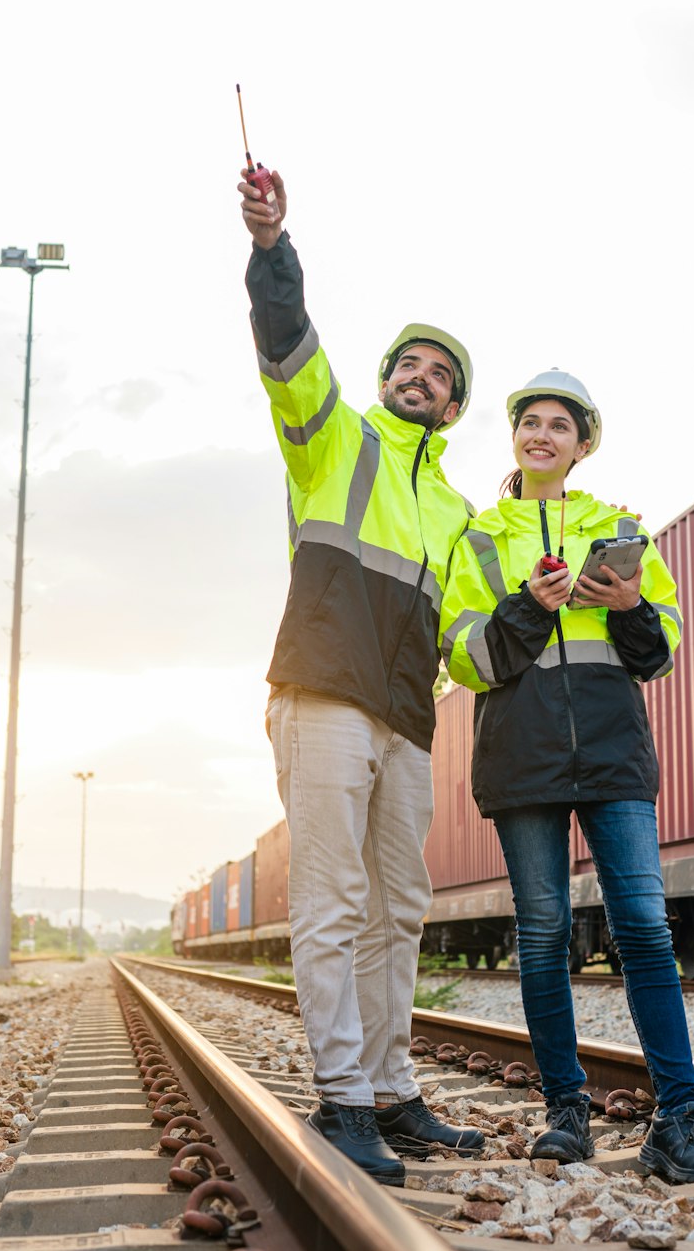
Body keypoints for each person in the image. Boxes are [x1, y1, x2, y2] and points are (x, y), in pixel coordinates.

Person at [238, 168, 485, 1183]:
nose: (419, 377)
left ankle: (392, 1088)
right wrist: (271, 248)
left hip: (405, 721)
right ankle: (342, 1098)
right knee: (335, 901)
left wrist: (541, 612)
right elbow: (288, 351)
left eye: (438, 374)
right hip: (323, 696)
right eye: (408, 365)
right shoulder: (332, 441)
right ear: (384, 376)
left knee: (399, 911)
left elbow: (465, 646)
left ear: (456, 404)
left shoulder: (458, 513)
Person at [439, 371, 694, 1184]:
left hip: (612, 754)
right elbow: (466, 655)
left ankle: (679, 1119)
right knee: (543, 938)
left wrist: (632, 602)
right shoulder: (482, 537)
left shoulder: (623, 527)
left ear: (581, 442)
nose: (542, 435)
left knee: (643, 928)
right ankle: (565, 1111)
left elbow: (661, 649)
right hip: (522, 757)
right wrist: (531, 606)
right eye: (529, 422)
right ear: (515, 439)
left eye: (558, 425)